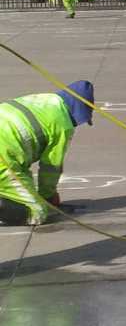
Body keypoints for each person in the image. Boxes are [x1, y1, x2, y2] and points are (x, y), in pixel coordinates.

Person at [0, 81, 94, 226]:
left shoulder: (43, 99)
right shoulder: (63, 124)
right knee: (37, 212)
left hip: (8, 149)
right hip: (3, 157)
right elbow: (51, 167)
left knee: (24, 180)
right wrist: (48, 196)